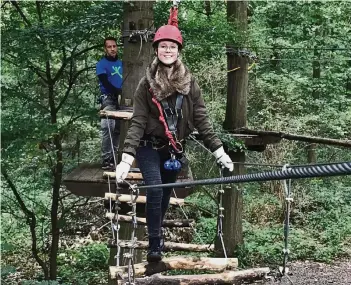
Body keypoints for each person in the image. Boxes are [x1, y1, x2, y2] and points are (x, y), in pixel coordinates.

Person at [115, 24, 233, 262]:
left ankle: (156, 237)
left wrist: (219, 151)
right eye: (163, 46)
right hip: (148, 146)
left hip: (174, 149)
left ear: (178, 51)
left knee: (166, 194)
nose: (167, 50)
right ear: (156, 49)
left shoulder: (190, 84)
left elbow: (201, 119)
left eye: (172, 47)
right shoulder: (146, 85)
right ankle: (155, 244)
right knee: (155, 190)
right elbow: (137, 121)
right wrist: (126, 158)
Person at [96, 36, 123, 170]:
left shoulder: (122, 63)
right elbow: (105, 82)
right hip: (108, 97)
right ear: (105, 49)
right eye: (109, 47)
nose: (112, 49)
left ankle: (115, 157)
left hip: (122, 98)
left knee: (118, 129)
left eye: (114, 46)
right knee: (108, 126)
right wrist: (117, 91)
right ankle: (107, 159)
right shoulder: (101, 64)